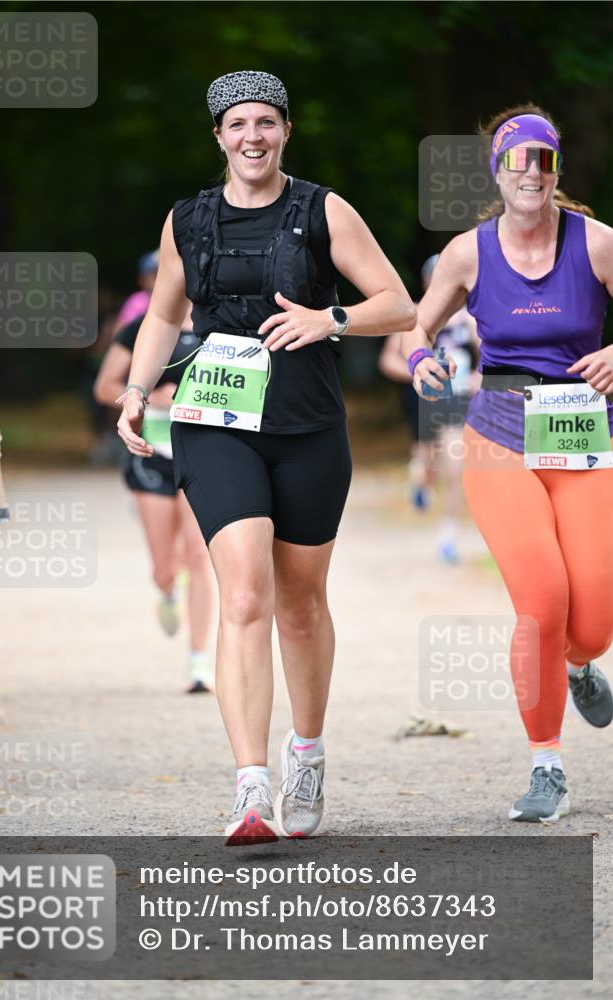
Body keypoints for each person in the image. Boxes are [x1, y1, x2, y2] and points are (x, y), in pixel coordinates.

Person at [116, 70, 415, 843]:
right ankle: (250, 788)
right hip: (214, 422)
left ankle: (304, 754)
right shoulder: (187, 219)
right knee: (243, 592)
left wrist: (331, 319)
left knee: (300, 602)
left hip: (308, 425)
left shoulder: (322, 210)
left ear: (284, 131)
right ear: (217, 135)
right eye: (237, 124)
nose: (252, 136)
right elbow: (163, 314)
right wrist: (137, 389)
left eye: (266, 123)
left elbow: (399, 304)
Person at [402, 104, 613, 823]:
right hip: (497, 433)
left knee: (592, 623)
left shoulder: (598, 244)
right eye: (517, 159)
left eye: (543, 160)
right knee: (541, 603)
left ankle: (580, 665)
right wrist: (422, 356)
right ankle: (545, 765)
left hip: (585, 437)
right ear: (498, 171)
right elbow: (415, 324)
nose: (530, 171)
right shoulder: (467, 251)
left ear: (557, 171)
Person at [94, 312, 216, 692]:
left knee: (199, 555)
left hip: (203, 454)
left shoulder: (223, 321)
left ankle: (199, 663)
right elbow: (104, 387)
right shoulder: (141, 327)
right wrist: (148, 398)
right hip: (151, 455)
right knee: (165, 567)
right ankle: (168, 589)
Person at [380, 255, 480, 562]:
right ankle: (420, 481)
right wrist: (419, 370)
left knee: (456, 467)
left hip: (457, 399)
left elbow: (488, 356)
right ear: (427, 282)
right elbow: (388, 360)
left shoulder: (470, 317)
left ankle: (448, 535)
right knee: (426, 464)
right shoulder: (412, 315)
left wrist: (478, 378)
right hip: (423, 398)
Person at [114, 250, 160, 332]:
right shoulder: (138, 301)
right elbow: (121, 331)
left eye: (158, 273)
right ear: (141, 280)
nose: (156, 278)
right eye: (152, 274)